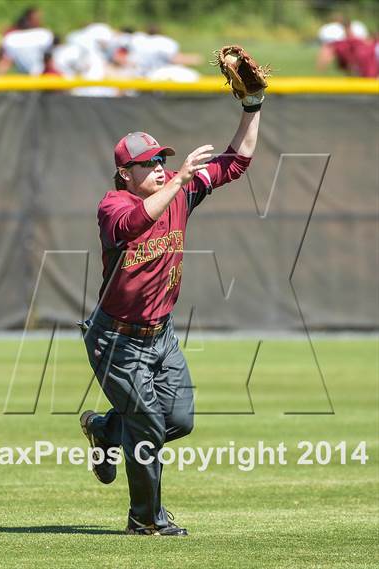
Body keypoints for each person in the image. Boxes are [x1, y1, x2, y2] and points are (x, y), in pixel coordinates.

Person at [79, 91, 263, 536]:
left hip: (161, 334)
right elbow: (133, 225)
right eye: (149, 164)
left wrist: (252, 107)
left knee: (177, 421)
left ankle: (104, 429)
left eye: (162, 161)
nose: (160, 168)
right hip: (117, 340)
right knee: (146, 428)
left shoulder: (177, 193)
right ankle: (145, 519)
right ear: (125, 173)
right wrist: (179, 181)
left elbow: (236, 161)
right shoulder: (114, 205)